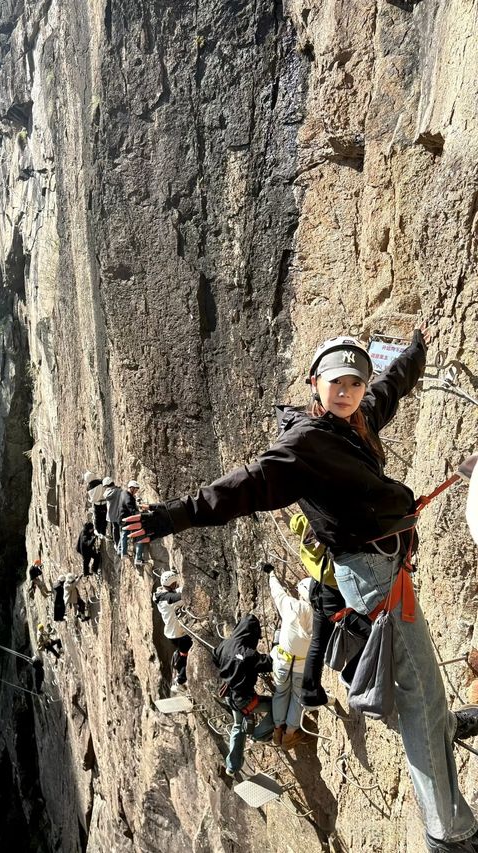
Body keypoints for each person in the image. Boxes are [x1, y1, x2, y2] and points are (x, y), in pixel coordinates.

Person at [125, 326, 478, 852]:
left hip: (385, 574)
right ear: (315, 384)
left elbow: (390, 388)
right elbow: (241, 487)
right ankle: (448, 834)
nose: (348, 390)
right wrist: (168, 518)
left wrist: (416, 351)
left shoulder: (352, 423)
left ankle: (445, 727)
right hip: (377, 583)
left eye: (354, 382)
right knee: (419, 698)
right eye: (336, 382)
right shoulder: (304, 444)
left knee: (421, 687)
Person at [285, 512, 371, 707]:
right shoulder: (327, 531)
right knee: (375, 632)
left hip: (318, 594)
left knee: (317, 645)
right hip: (335, 602)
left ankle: (309, 693)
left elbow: (295, 522)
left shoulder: (310, 533)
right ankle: (351, 674)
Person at [212, 615, 274, 776]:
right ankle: (259, 734)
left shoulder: (224, 644)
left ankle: (232, 766)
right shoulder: (248, 654)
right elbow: (269, 663)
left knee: (238, 726)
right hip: (245, 700)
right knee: (277, 705)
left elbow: (216, 659)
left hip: (229, 694)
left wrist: (231, 672)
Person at [263, 566, 313, 749]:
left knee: (281, 693)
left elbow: (277, 592)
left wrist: (271, 574)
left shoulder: (291, 605)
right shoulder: (318, 615)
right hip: (301, 665)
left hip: (283, 662)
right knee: (297, 697)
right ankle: (290, 734)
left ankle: (277, 729)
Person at [152, 570, 193, 693]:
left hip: (172, 633)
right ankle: (180, 681)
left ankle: (178, 663)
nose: (176, 584)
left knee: (182, 652)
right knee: (185, 654)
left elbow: (175, 593)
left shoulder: (159, 594)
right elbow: (183, 597)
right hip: (178, 634)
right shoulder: (170, 600)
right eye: (175, 583)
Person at [118, 480, 146, 565]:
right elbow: (132, 509)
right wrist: (142, 515)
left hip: (123, 518)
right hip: (127, 519)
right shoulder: (128, 497)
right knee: (139, 534)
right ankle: (137, 558)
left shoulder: (125, 493)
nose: (136, 492)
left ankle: (122, 552)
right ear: (131, 488)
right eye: (136, 490)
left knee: (124, 535)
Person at [103, 479, 124, 548]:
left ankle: (116, 543)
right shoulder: (118, 491)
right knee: (121, 529)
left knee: (115, 529)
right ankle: (120, 544)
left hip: (111, 514)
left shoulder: (107, 492)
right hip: (119, 513)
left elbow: (106, 495)